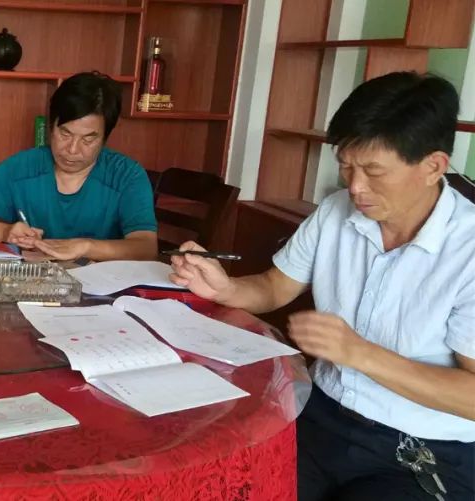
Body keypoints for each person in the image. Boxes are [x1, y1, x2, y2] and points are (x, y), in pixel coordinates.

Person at [170, 72, 474, 500]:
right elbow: (275, 287)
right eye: (346, 165)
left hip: (422, 451)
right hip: (321, 417)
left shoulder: (468, 250)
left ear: (433, 166)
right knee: (217, 480)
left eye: (373, 170)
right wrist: (225, 289)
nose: (355, 186)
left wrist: (360, 353)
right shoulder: (336, 211)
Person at [0, 72, 157, 262]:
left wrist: (86, 247)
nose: (72, 150)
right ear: (51, 127)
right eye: (65, 134)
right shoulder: (24, 167)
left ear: (105, 138)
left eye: (88, 140)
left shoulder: (126, 175)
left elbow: (146, 248)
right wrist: (5, 232)